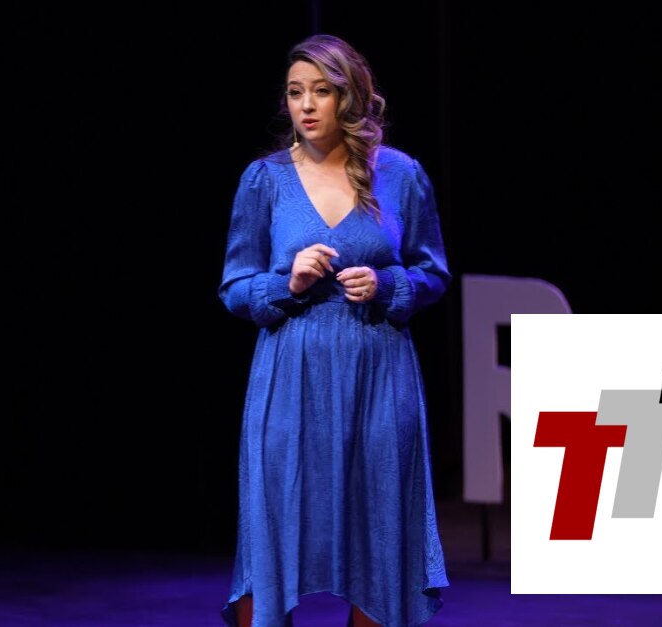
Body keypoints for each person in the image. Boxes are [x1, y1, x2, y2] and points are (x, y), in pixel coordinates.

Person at [218, 34, 451, 627]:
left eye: (320, 91)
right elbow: (235, 287)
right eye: (295, 92)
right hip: (289, 376)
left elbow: (432, 273)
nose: (305, 105)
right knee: (274, 531)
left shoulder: (400, 174)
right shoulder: (265, 180)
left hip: (378, 375)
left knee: (380, 533)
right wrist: (286, 283)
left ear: (348, 97)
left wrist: (388, 285)